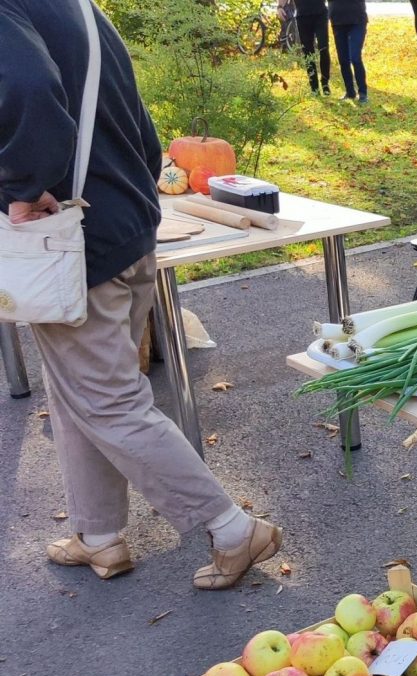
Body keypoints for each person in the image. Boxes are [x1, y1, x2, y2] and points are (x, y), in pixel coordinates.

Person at [0, 0, 283, 590]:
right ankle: (98, 534)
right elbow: (140, 125)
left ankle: (232, 528)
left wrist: (21, 191)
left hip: (72, 239)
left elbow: (29, 89)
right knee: (79, 390)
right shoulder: (73, 7)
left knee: (107, 400)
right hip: (126, 224)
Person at [328, 0, 369, 104]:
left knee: (355, 57)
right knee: (343, 60)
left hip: (357, 20)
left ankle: (363, 93)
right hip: (337, 21)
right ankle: (350, 92)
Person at [295, 0, 333, 95]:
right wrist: (280, 7)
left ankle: (325, 83)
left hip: (320, 14)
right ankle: (314, 87)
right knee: (307, 52)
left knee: (323, 48)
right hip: (302, 15)